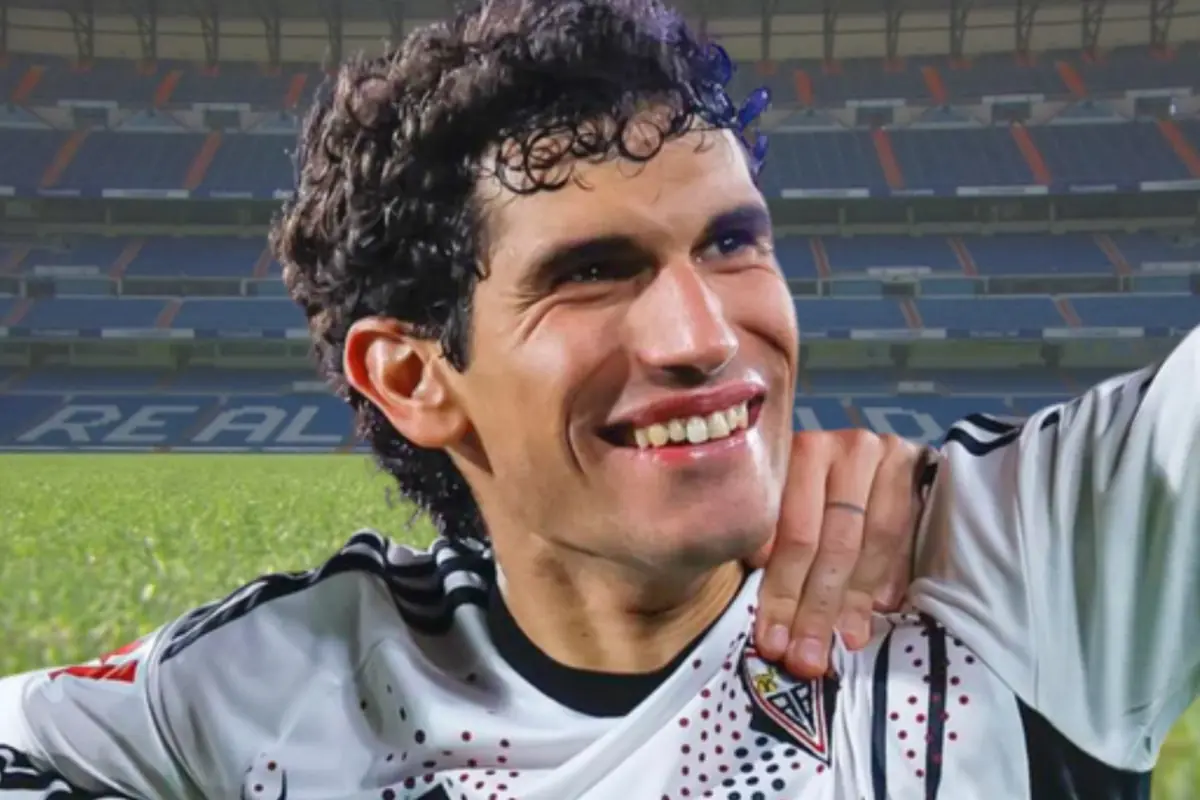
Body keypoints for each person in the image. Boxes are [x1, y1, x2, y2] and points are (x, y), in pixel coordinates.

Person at [2, 1, 1197, 798]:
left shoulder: (1012, 564)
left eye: (733, 244)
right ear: (415, 377)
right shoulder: (288, 681)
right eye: (590, 272)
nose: (705, 334)